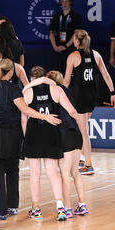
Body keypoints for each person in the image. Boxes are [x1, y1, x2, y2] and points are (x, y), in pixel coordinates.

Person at [0, 59, 61, 220]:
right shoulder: (14, 89)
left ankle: (0, 211)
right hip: (12, 133)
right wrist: (44, 116)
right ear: (11, 72)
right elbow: (25, 109)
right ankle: (12, 205)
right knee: (12, 170)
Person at [23, 71, 88, 217]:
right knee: (66, 173)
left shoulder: (28, 92)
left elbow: (23, 117)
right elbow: (72, 110)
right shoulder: (59, 90)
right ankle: (67, 206)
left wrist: (24, 136)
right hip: (65, 133)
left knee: (39, 174)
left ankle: (48, 209)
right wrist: (80, 124)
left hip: (49, 134)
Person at [64, 29, 115, 175]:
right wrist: (113, 93)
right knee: (82, 127)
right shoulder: (96, 54)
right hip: (92, 96)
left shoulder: (73, 56)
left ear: (77, 40)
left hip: (79, 97)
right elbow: (106, 76)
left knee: (83, 132)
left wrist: (60, 95)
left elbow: (67, 80)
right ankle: (82, 159)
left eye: (74, 39)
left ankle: (88, 165)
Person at [49, 0, 82, 74]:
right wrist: (55, 47)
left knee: (71, 72)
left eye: (67, 1)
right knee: (57, 72)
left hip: (70, 48)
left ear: (70, 2)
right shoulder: (56, 16)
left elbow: (76, 33)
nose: (64, 4)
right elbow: (51, 33)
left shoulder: (76, 16)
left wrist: (66, 46)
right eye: (62, 2)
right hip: (57, 49)